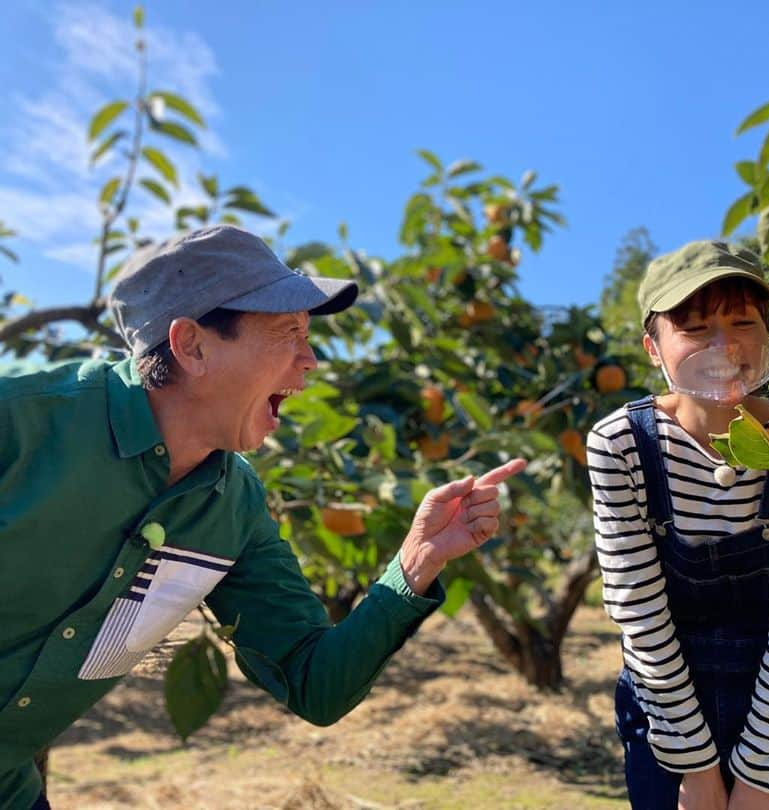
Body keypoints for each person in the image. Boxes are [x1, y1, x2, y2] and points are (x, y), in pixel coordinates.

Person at [0, 225, 525, 810]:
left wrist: (416, 563)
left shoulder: (231, 506)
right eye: (289, 333)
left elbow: (313, 681)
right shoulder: (18, 427)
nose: (313, 360)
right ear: (192, 345)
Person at [587, 241, 769, 810]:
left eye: (741, 323)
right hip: (666, 710)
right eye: (696, 328)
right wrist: (696, 767)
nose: (723, 346)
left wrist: (758, 777)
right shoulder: (622, 445)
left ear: (767, 334)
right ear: (653, 347)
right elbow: (638, 611)